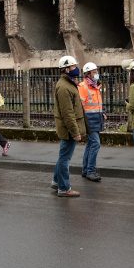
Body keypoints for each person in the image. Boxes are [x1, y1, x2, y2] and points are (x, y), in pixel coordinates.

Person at [52, 55, 87, 197]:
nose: (76, 69)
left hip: (69, 129)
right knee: (65, 158)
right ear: (66, 69)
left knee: (63, 156)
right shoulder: (64, 87)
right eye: (73, 67)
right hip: (68, 130)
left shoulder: (68, 84)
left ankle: (56, 181)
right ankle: (64, 188)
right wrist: (75, 132)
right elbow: (68, 113)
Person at [78, 62, 104, 182]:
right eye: (94, 72)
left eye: (96, 72)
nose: (97, 74)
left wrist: (102, 113)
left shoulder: (95, 86)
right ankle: (90, 171)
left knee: (90, 144)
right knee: (95, 144)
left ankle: (85, 170)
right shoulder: (83, 86)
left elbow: (96, 104)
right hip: (89, 120)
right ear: (88, 74)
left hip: (96, 118)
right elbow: (80, 106)